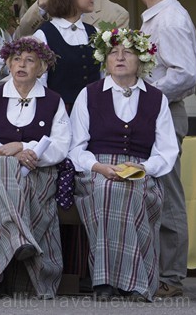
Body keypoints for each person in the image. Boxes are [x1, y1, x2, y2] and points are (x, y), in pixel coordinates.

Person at [69, 27, 177, 301]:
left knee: (126, 191)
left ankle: (109, 281)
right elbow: (76, 148)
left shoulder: (157, 99)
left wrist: (143, 169)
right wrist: (100, 168)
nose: (119, 57)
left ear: (140, 60)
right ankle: (131, 282)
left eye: (127, 52)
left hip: (142, 172)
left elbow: (166, 151)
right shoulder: (89, 94)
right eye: (113, 52)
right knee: (108, 190)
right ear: (105, 60)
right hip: (95, 171)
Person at [0, 37, 70, 299]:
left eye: (29, 60)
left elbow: (60, 145)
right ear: (8, 64)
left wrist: (23, 147)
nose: (21, 64)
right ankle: (19, 240)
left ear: (41, 68)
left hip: (38, 173)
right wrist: (7, 154)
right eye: (16, 59)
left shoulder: (53, 101)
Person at [137, 0, 196, 299]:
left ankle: (172, 275)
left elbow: (185, 73)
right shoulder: (166, 16)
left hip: (165, 111)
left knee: (166, 190)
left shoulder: (169, 21)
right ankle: (161, 271)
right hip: (159, 110)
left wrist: (143, 92)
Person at [33, 0, 101, 108]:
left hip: (94, 112)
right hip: (61, 114)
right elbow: (39, 85)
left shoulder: (96, 33)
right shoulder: (43, 36)